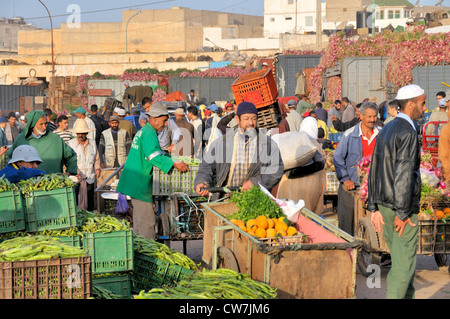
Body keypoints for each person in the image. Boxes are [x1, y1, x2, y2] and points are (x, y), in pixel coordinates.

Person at [368, 84, 427, 299]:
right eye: (422, 102)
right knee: (402, 269)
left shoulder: (387, 128)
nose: (424, 107)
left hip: (385, 206)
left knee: (405, 263)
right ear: (410, 104)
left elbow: (374, 168)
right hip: (401, 209)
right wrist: (403, 214)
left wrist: (374, 207)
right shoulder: (408, 132)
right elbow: (404, 174)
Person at [116, 102, 189, 240]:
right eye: (164, 120)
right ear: (155, 118)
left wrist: (168, 158)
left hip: (135, 180)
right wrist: (174, 163)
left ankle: (138, 250)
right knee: (147, 222)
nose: (166, 124)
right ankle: (147, 253)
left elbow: (154, 152)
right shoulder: (149, 133)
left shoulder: (146, 131)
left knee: (139, 221)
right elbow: (152, 156)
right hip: (139, 183)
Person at [194, 102, 284, 199]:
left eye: (254, 119)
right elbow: (206, 166)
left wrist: (255, 182)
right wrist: (201, 181)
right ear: (237, 119)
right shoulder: (222, 143)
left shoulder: (267, 144)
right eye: (246, 119)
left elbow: (276, 169)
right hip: (225, 199)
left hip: (255, 200)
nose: (251, 123)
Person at [333, 102, 381, 236]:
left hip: (375, 186)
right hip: (353, 186)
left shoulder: (381, 134)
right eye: (369, 116)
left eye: (375, 116)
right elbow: (337, 158)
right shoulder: (349, 135)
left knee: (376, 224)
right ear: (361, 116)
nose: (372, 120)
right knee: (348, 224)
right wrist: (346, 179)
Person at [6, 110, 77, 176]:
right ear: (32, 124)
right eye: (41, 124)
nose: (44, 127)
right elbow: (11, 158)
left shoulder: (55, 139)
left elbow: (71, 156)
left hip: (53, 185)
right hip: (27, 185)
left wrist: (69, 172)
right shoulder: (21, 139)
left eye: (46, 123)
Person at [68, 120, 101, 212]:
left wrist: (97, 169)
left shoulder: (92, 143)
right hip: (76, 178)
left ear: (86, 133)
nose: (80, 135)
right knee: (75, 201)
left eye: (82, 133)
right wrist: (75, 172)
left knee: (90, 201)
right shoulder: (70, 144)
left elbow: (96, 158)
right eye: (78, 133)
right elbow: (67, 161)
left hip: (89, 176)